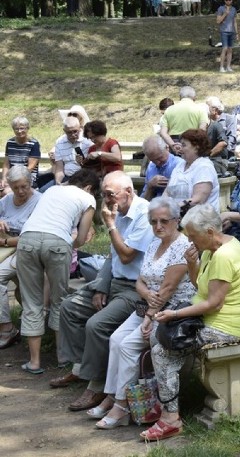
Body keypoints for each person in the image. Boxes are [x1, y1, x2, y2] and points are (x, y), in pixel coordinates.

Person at [144, 205, 240, 441]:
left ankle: (170, 418)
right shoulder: (211, 248)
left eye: (192, 236)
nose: (188, 240)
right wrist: (192, 264)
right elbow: (200, 286)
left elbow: (214, 303)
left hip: (228, 328)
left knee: (162, 351)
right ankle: (167, 401)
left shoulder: (224, 256)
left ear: (210, 232)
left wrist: (175, 315)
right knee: (158, 336)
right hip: (209, 318)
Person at [85, 196, 195, 429]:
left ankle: (121, 405)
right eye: (153, 221)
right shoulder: (154, 244)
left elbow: (166, 290)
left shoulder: (182, 246)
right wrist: (145, 295)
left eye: (164, 221)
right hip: (148, 306)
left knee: (128, 346)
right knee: (116, 338)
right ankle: (114, 397)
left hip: (172, 311)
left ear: (177, 220)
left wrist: (148, 315)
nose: (158, 226)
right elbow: (140, 281)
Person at [52, 172, 153, 414]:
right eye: (103, 194)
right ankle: (82, 369)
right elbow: (112, 256)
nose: (106, 199)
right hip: (114, 282)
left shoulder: (145, 215)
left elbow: (127, 255)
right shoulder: (116, 211)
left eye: (110, 194)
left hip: (136, 290)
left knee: (97, 324)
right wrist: (100, 285)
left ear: (128, 192)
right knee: (69, 307)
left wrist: (110, 225)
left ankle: (97, 384)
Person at [16, 169, 98, 375]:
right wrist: (75, 242)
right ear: (89, 187)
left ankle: (34, 362)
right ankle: (63, 357)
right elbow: (80, 237)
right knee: (59, 299)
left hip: (27, 239)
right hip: (58, 243)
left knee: (32, 301)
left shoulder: (53, 189)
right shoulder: (88, 198)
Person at [0, 166, 42, 347]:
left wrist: (6, 243)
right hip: (6, 249)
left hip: (27, 250)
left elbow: (35, 235)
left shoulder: (41, 201)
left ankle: (7, 329)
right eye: (15, 187)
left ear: (30, 183)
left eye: (24, 186)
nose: (20, 191)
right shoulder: (6, 200)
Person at [163, 129, 220, 211]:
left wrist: (173, 209)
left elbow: (198, 200)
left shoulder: (204, 167)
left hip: (200, 220)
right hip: (175, 218)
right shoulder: (180, 166)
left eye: (184, 145)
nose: (180, 148)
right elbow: (167, 192)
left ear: (196, 148)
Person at [158, 86, 209, 152]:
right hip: (192, 143)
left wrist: (173, 145)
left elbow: (163, 132)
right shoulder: (201, 110)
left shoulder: (169, 110)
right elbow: (202, 130)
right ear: (194, 97)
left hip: (174, 142)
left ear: (180, 97)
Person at [50, 116, 94, 188]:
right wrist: (58, 182)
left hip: (83, 179)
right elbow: (59, 168)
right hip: (66, 176)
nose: (73, 135)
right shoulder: (60, 143)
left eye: (75, 131)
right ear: (64, 131)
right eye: (69, 132)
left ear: (80, 128)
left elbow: (89, 168)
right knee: (44, 191)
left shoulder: (88, 142)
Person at [1, 116, 40, 194]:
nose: (19, 131)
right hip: (11, 176)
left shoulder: (34, 144)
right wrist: (4, 179)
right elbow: (6, 164)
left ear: (27, 128)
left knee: (6, 192)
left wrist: (13, 180)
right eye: (16, 128)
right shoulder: (10, 143)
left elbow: (30, 168)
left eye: (22, 128)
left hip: (27, 177)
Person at [140, 135, 183, 201]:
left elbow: (184, 194)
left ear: (167, 148)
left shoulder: (179, 164)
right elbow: (144, 202)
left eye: (160, 158)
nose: (157, 163)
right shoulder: (151, 167)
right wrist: (150, 186)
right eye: (153, 160)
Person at [216, 0, 239, 73]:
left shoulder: (234, 9)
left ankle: (228, 66)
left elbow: (235, 22)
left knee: (230, 49)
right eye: (226, 0)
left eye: (229, 0)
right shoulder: (221, 8)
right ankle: (221, 67)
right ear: (224, 1)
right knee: (224, 48)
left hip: (231, 31)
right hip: (224, 31)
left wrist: (237, 33)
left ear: (232, 0)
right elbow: (218, 21)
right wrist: (225, 14)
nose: (228, 1)